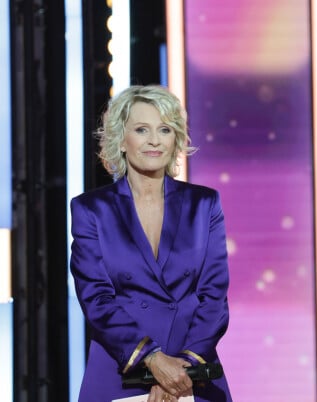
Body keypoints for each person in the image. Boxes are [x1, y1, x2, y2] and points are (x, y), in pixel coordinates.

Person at [70, 85, 232, 402]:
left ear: (176, 140)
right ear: (121, 139)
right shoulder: (91, 209)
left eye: (165, 129)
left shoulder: (204, 204)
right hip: (121, 367)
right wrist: (153, 360)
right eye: (142, 129)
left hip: (193, 369)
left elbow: (214, 296)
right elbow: (96, 297)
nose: (155, 140)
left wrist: (182, 370)